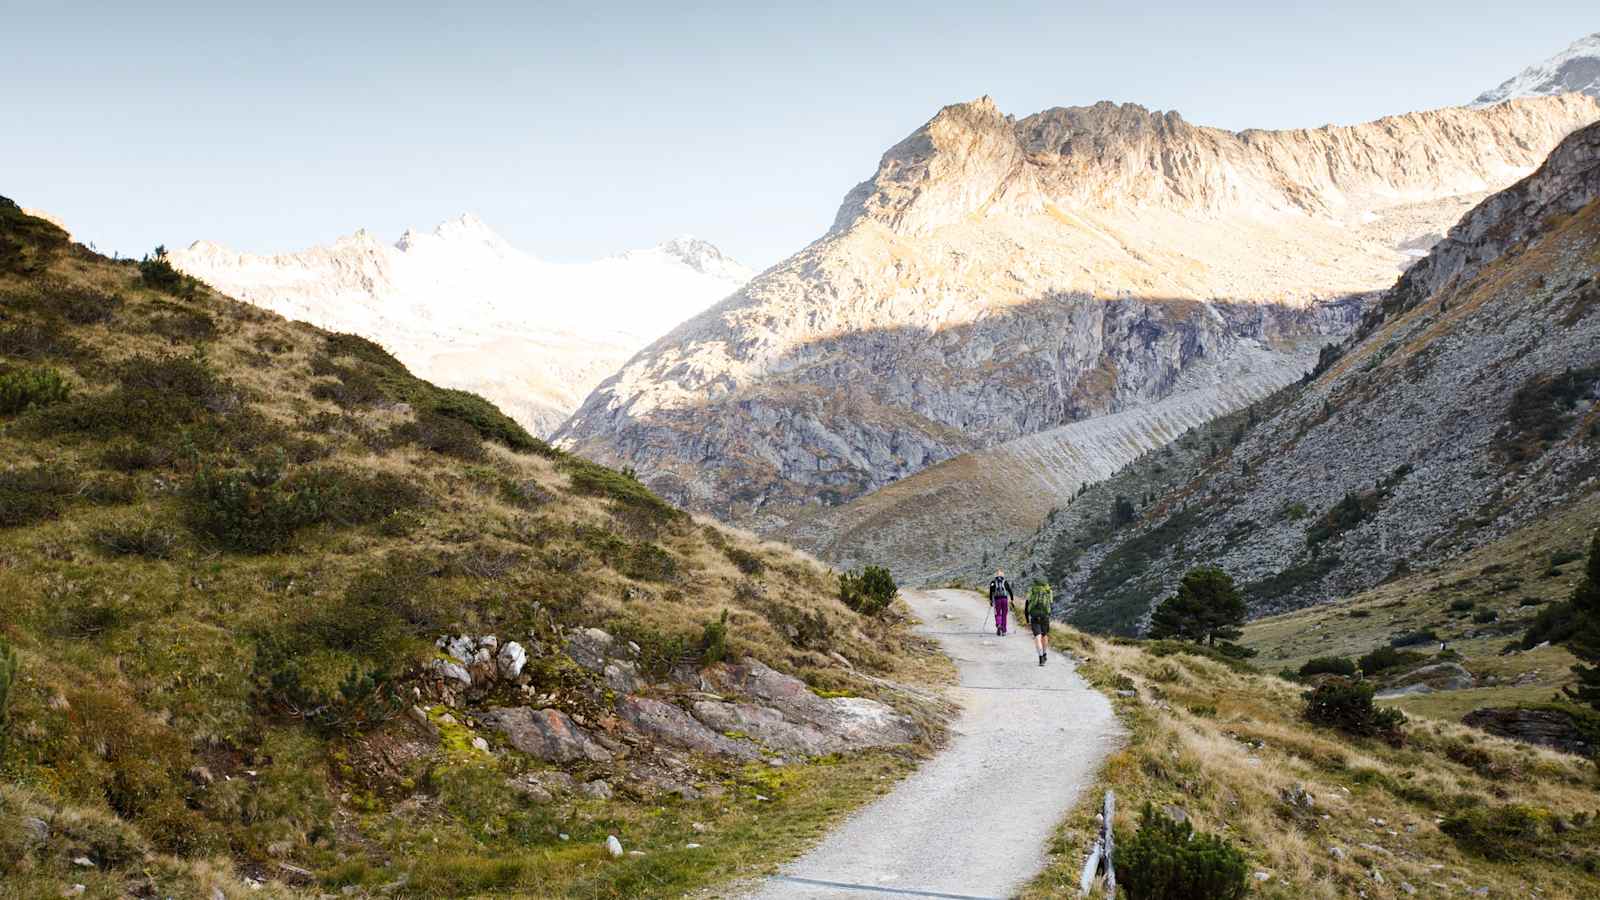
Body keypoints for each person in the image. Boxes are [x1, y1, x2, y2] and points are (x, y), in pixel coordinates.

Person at [1026, 582, 1053, 666]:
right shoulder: (1048, 592)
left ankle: (1040, 657)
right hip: (1045, 618)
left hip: (1034, 618)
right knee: (1044, 635)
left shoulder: (1032, 592)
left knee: (1037, 637)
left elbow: (1026, 607)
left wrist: (1027, 620)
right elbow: (1051, 604)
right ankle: (1044, 654)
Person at [987, 569, 1013, 636]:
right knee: (1004, 614)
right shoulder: (1005, 581)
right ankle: (1004, 630)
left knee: (997, 613)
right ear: (1002, 575)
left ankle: (998, 625)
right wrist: (1012, 599)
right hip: (1004, 599)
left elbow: (991, 592)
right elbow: (1010, 591)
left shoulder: (993, 582)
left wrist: (991, 600)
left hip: (997, 600)